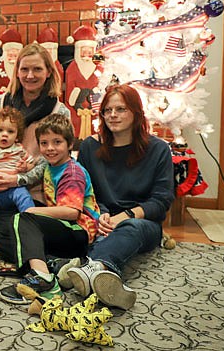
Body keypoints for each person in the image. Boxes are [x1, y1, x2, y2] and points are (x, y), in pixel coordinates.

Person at [64, 84, 174, 310]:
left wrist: (124, 216)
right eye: (107, 110)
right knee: (86, 233)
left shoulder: (159, 149)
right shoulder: (89, 148)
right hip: (101, 219)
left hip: (142, 223)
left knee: (131, 228)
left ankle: (94, 268)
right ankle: (103, 278)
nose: (113, 115)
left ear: (136, 112)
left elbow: (161, 200)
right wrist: (103, 215)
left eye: (121, 109)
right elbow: (87, 192)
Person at [0, 112, 100, 303]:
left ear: (70, 144)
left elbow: (71, 212)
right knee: (3, 233)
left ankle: (42, 279)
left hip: (79, 231)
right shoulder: (50, 165)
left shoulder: (72, 172)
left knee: (23, 219)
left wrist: (33, 212)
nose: (50, 148)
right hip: (62, 227)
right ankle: (55, 264)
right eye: (44, 143)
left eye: (57, 142)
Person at [0, 42, 70, 204]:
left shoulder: (59, 111)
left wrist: (19, 179)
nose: (30, 75)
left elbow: (53, 160)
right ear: (17, 72)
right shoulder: (0, 102)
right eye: (24, 69)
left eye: (37, 69)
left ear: (48, 72)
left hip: (35, 195)